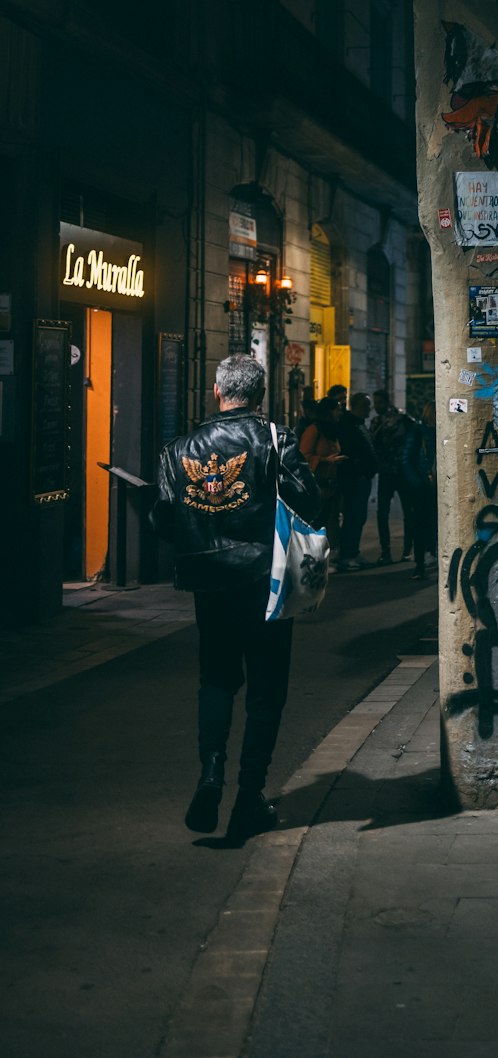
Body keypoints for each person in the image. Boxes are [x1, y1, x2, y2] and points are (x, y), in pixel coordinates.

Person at [151, 354, 321, 843]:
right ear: (261, 394)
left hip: (211, 584)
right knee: (267, 688)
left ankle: (210, 775)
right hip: (266, 581)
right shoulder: (276, 439)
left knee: (217, 679)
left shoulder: (178, 448)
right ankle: (249, 796)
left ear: (217, 391)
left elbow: (163, 520)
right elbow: (308, 500)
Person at [369, 389, 415, 564]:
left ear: (387, 402)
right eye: (375, 402)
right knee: (383, 512)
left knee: (407, 512)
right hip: (387, 471)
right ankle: (386, 551)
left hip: (400, 471)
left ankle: (406, 550)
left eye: (379, 402)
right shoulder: (377, 422)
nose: (376, 406)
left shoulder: (401, 420)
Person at [334, 391, 377, 571]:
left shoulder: (359, 424)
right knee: (353, 516)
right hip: (354, 478)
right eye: (366, 405)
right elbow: (350, 451)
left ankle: (353, 550)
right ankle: (347, 554)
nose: (370, 409)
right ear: (358, 406)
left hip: (362, 477)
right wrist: (358, 468)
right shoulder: (348, 425)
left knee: (359, 516)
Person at [298, 397, 347, 535]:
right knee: (317, 523)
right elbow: (303, 456)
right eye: (337, 410)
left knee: (328, 521)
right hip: (318, 486)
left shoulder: (331, 431)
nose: (340, 413)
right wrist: (325, 460)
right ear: (328, 412)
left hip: (331, 486)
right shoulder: (313, 430)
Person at [403, 401, 437, 580]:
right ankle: (420, 562)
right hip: (424, 485)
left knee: (429, 524)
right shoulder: (419, 432)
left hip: (430, 484)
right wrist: (417, 482)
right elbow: (407, 459)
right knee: (421, 525)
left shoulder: (429, 431)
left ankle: (426, 560)